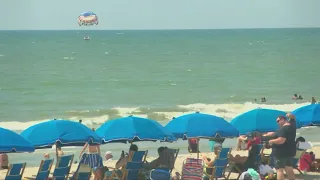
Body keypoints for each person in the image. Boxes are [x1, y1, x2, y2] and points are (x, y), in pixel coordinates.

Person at [268, 115, 296, 180]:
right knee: (289, 169)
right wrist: (290, 115)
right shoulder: (292, 126)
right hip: (290, 152)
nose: (277, 123)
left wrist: (271, 141)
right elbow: (293, 118)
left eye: (278, 121)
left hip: (281, 153)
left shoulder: (283, 129)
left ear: (282, 120)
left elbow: (281, 140)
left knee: (279, 170)